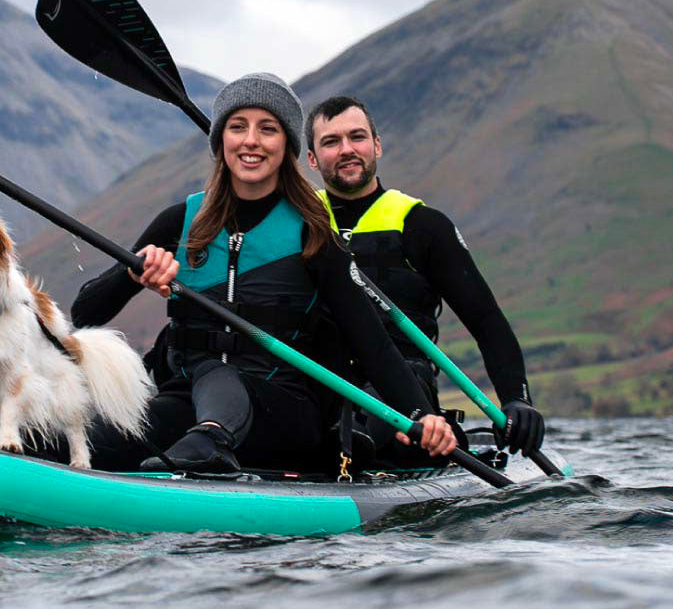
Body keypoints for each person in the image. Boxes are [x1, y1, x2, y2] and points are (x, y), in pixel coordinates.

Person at [71, 74, 457, 474]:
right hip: (186, 403)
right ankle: (198, 442)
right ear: (221, 141)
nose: (251, 140)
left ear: (287, 146)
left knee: (218, 373)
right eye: (238, 127)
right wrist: (133, 273)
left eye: (267, 129)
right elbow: (85, 312)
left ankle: (211, 441)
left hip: (284, 413)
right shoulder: (180, 222)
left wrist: (422, 415)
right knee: (80, 443)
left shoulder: (312, 234)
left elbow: (372, 345)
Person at [304, 95, 545, 461]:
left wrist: (515, 398)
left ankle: (358, 444)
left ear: (377, 145)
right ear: (311, 158)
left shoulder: (423, 226)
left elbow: (485, 320)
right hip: (318, 379)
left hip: (404, 389)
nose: (347, 150)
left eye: (357, 137)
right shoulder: (297, 223)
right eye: (331, 142)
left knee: (375, 411)